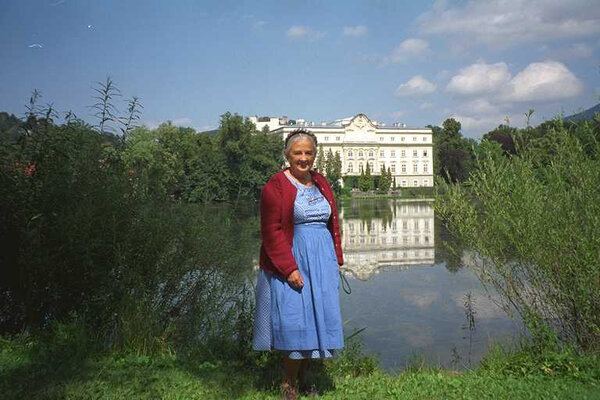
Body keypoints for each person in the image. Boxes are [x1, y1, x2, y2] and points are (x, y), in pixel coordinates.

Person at [252, 128, 344, 399]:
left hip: (321, 261)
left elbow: (332, 223)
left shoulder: (321, 182)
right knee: (295, 320)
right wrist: (289, 268)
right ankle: (288, 384)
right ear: (287, 155)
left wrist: (335, 259)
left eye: (308, 152)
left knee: (317, 320)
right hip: (292, 259)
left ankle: (305, 379)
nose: (303, 158)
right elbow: (271, 231)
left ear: (315, 155)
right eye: (298, 153)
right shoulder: (276, 185)